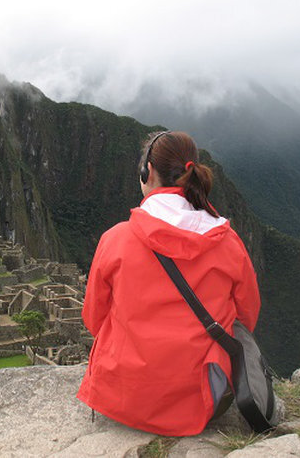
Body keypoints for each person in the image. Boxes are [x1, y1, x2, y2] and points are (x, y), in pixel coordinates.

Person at [76, 130, 261, 436]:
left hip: (125, 396)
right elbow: (247, 317)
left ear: (146, 171)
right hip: (204, 398)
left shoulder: (116, 240)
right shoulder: (227, 242)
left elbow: (93, 319)